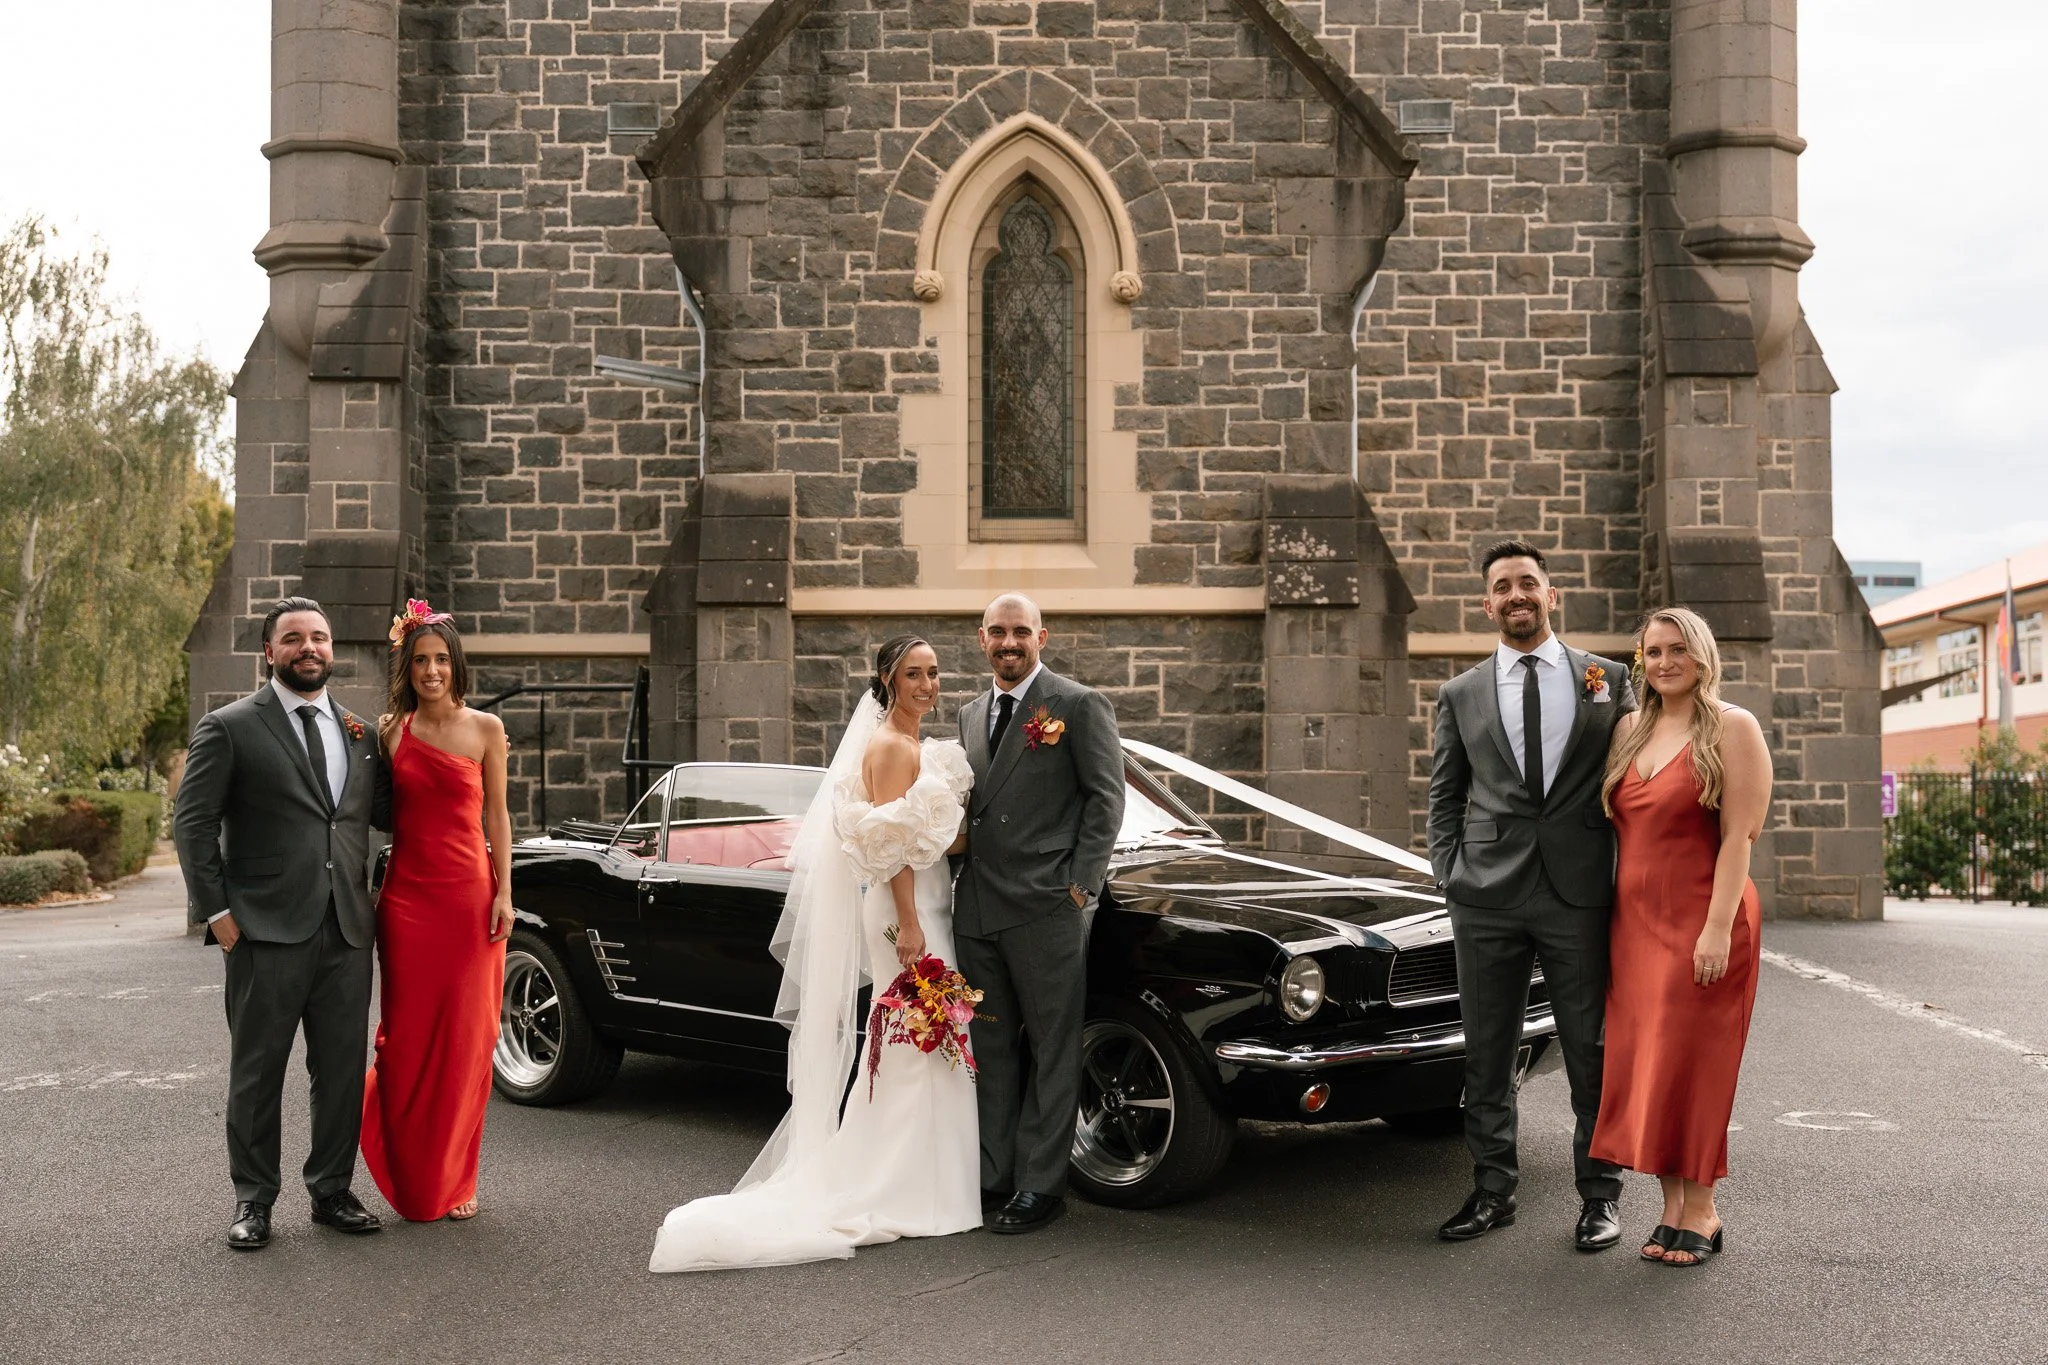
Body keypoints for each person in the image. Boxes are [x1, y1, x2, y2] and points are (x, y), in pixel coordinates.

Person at [648, 635, 978, 1271]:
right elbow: (890, 849)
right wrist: (909, 925)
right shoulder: (887, 747)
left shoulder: (913, 746)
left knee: (929, 1042)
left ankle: (933, 1185)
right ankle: (902, 1190)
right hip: (906, 915)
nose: (928, 685)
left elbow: (924, 837)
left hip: (930, 905)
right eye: (914, 674)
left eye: (934, 673)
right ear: (887, 678)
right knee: (913, 1044)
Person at [1425, 541, 1636, 1252]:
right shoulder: (1460, 693)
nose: (1516, 595)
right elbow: (1445, 794)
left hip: (1578, 892)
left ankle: (1600, 1195)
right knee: (1487, 1051)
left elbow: (1638, 780)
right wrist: (1448, 872)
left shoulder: (1608, 679)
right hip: (1483, 895)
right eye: (1501, 587)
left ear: (1553, 594)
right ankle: (1491, 1189)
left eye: (1528, 583)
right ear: (1487, 604)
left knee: (1590, 1049)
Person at [173, 596, 390, 1249]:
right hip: (262, 929)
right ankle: (253, 1198)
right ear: (269, 651)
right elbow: (193, 822)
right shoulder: (230, 726)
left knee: (341, 1068)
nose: (310, 648)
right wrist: (219, 913)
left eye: (319, 637)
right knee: (258, 1068)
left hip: (347, 929)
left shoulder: (361, 733)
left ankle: (331, 1189)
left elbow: (383, 817)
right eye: (294, 638)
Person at [1590, 606, 1770, 1268]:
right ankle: (1671, 1207)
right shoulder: (1629, 730)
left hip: (1706, 918)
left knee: (1695, 1065)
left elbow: (1738, 837)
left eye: (1678, 650)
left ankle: (1704, 1208)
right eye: (1653, 651)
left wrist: (1717, 928)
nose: (1665, 662)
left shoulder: (1733, 727)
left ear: (1702, 655)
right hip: (1635, 928)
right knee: (1650, 1066)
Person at [955, 593, 1125, 1234]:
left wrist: (1081, 888)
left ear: (1042, 637)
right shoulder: (970, 714)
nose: (1008, 642)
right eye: (997, 632)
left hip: (1047, 909)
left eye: (1020, 632)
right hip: (977, 910)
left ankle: (1040, 1187)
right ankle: (993, 1178)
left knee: (1054, 1051)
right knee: (990, 1047)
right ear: (981, 639)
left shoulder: (1077, 705)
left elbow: (1106, 801)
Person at [359, 601, 511, 1222]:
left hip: (470, 898)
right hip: (407, 904)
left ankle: (458, 1175)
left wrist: (505, 891)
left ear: (457, 666)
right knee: (407, 1041)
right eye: (420, 660)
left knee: (467, 1042)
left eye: (441, 660)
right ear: (407, 667)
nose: (431, 670)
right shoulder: (390, 731)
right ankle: (410, 1168)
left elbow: (497, 815)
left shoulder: (486, 730)